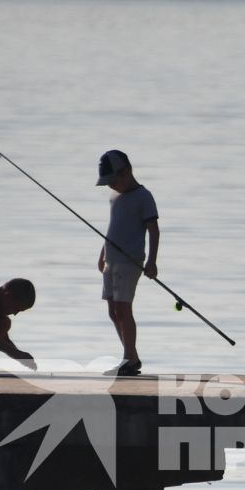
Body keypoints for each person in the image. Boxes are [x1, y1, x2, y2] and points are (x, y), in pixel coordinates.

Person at [95, 149, 158, 376]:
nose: (111, 186)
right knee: (113, 311)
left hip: (129, 261)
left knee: (123, 309)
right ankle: (131, 356)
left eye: (113, 180)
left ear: (127, 172)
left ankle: (128, 360)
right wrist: (102, 253)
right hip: (111, 260)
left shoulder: (143, 196)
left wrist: (152, 261)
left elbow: (154, 230)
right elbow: (113, 228)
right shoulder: (115, 196)